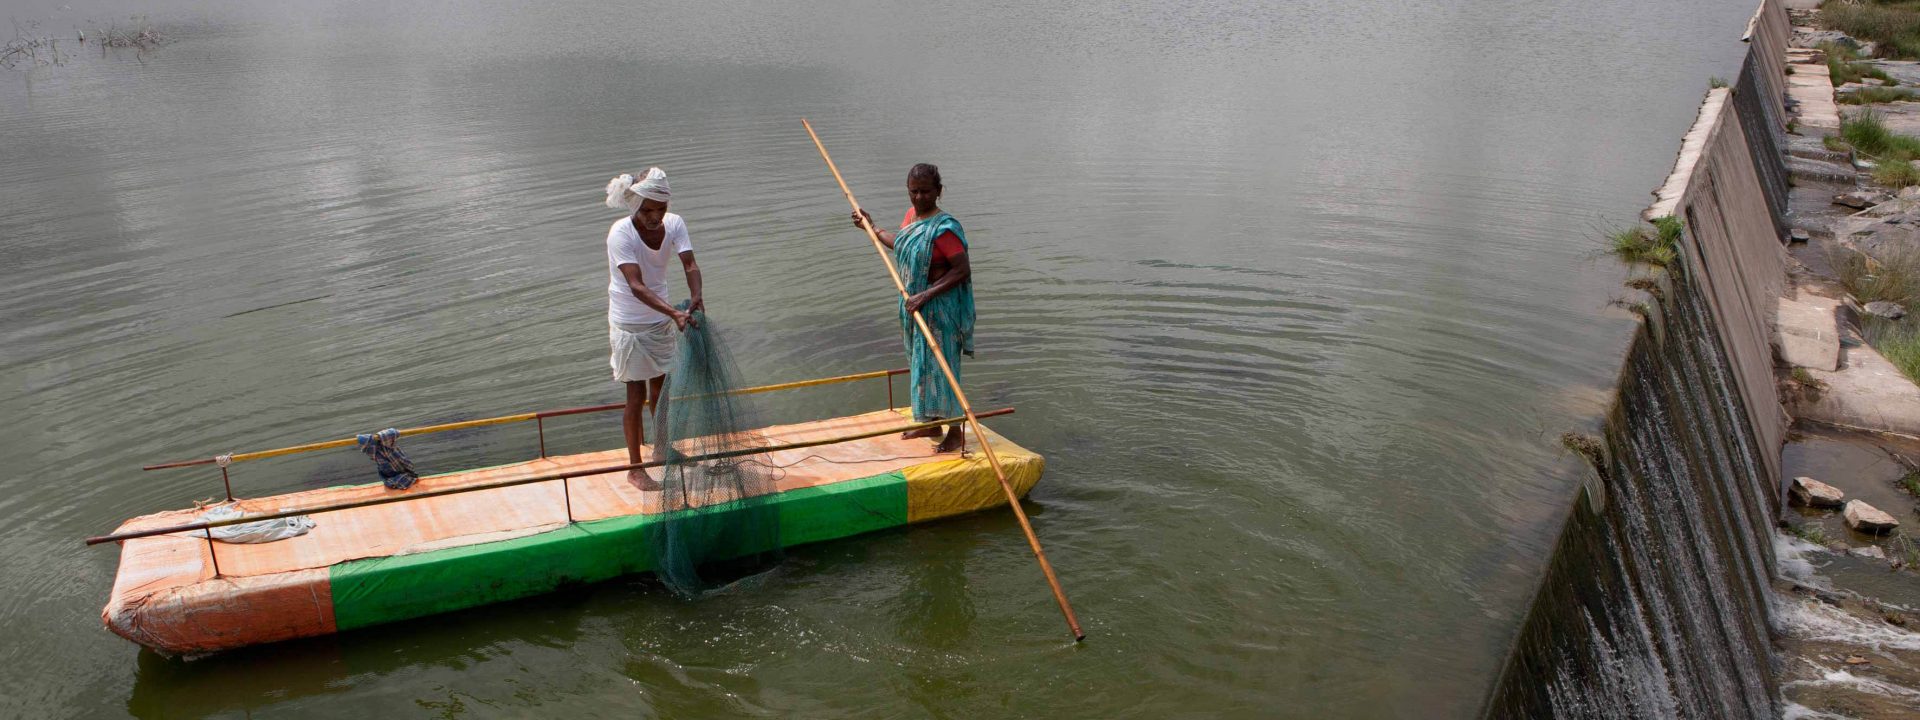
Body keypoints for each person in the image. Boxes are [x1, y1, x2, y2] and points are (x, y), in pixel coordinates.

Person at [851, 163, 975, 453]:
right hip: (914, 306)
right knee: (920, 366)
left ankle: (956, 431)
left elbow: (962, 270)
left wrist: (926, 295)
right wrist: (872, 227)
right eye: (914, 192)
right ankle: (930, 423)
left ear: (938, 192)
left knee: (943, 369)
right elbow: (902, 246)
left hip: (940, 310)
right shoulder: (911, 218)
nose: (919, 198)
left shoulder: (945, 229)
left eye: (926, 192)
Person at [605, 167, 702, 490]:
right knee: (635, 394)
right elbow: (635, 285)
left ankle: (661, 448)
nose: (655, 217)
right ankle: (635, 469)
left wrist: (697, 297)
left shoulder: (674, 224)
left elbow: (689, 263)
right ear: (635, 205)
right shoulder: (621, 233)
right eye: (647, 210)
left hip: (661, 317)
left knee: (662, 390)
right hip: (630, 322)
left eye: (661, 209)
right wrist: (675, 313)